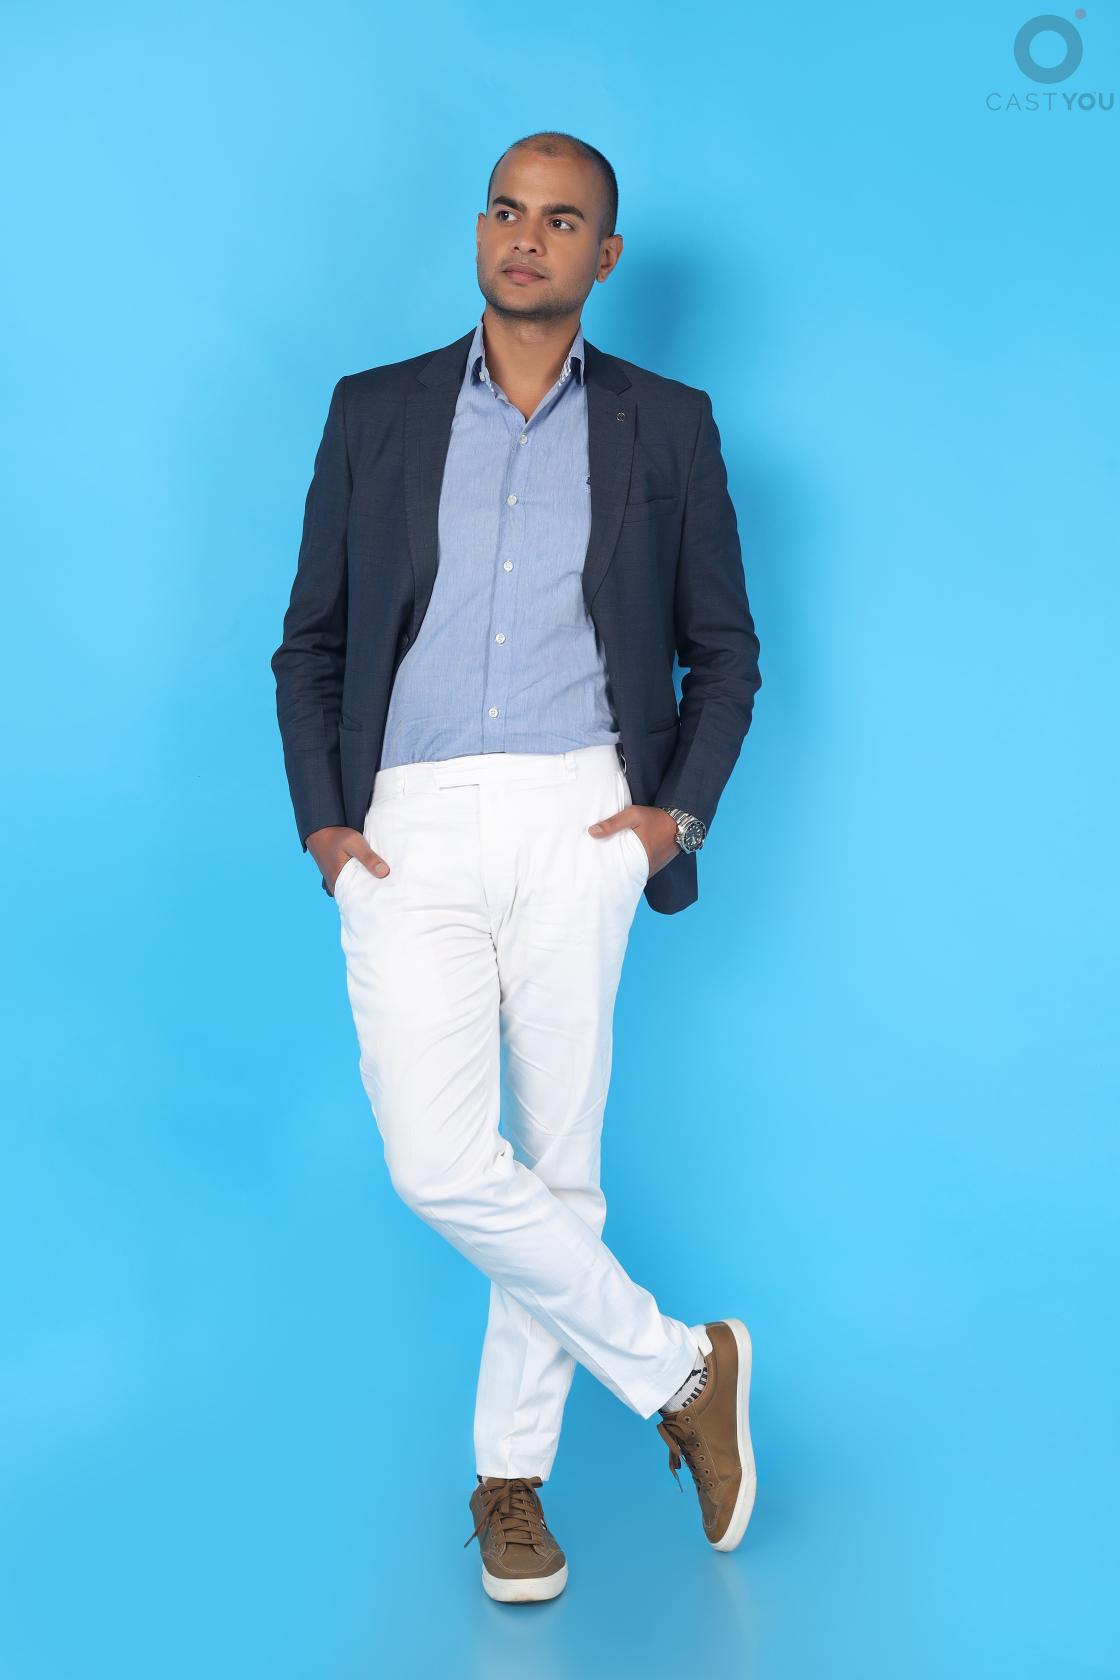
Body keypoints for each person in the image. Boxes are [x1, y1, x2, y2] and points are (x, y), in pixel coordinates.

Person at [271, 130, 763, 1604]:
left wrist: (672, 819)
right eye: (505, 210)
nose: (525, 236)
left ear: (602, 256)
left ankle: (510, 1485)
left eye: (559, 220)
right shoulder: (375, 409)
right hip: (404, 820)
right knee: (439, 1159)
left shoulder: (668, 423)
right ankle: (681, 1369)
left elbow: (725, 650)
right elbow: (312, 639)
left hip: (578, 811)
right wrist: (327, 827)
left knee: (559, 1166)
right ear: (480, 231)